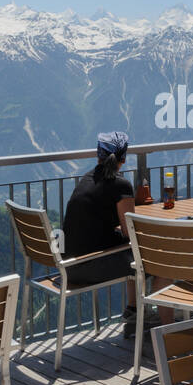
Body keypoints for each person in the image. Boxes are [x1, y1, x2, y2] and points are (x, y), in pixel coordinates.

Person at [63, 132, 141, 339]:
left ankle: (134, 312)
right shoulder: (121, 184)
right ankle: (163, 324)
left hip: (67, 265)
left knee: (132, 254)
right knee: (154, 260)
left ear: (98, 155)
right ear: (123, 158)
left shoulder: (86, 179)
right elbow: (130, 232)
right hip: (87, 266)